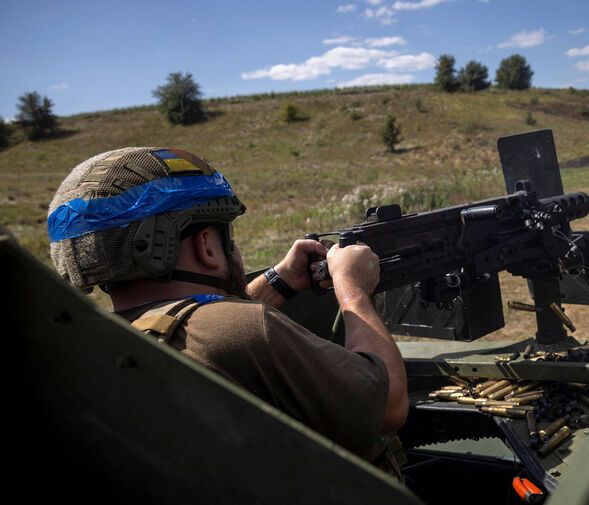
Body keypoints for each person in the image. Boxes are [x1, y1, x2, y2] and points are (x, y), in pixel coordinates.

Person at [47, 147, 408, 462]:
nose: (233, 249)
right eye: (226, 234)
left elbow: (188, 323)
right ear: (205, 245)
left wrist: (279, 280)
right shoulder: (248, 329)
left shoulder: (103, 341)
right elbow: (388, 403)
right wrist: (353, 288)